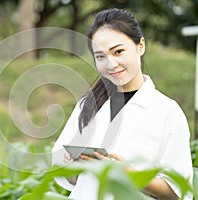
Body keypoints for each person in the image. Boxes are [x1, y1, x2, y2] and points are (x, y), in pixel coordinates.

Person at [52, 8, 193, 200]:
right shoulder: (88, 105)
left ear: (140, 46)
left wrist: (128, 173)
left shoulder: (167, 111)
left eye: (118, 51)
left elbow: (178, 192)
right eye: (101, 56)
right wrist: (74, 164)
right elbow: (65, 173)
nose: (111, 64)